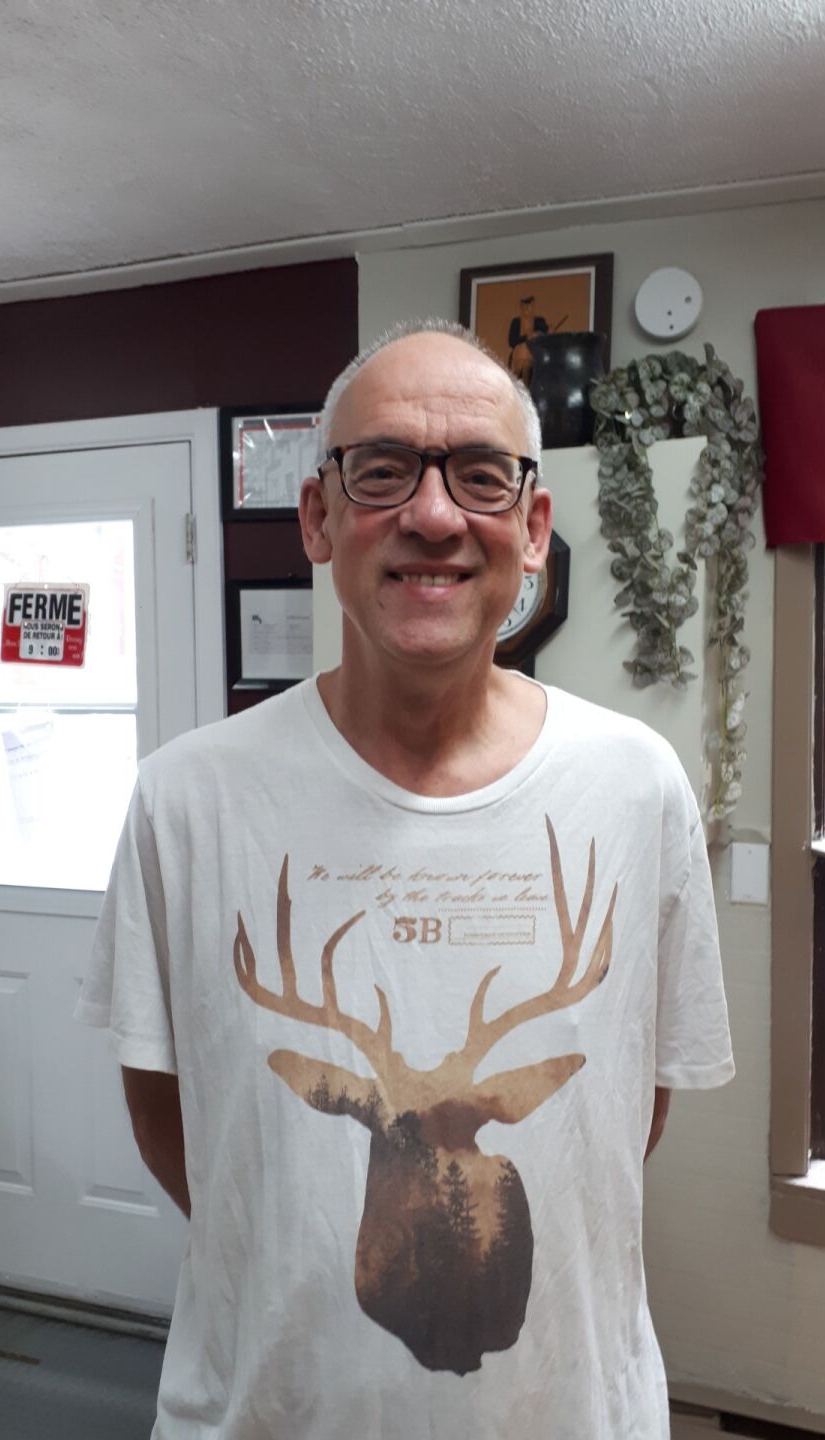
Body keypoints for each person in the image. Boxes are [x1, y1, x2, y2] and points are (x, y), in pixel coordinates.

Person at [77, 319, 734, 1440]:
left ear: (534, 529)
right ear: (317, 519)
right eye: (381, 471)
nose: (433, 515)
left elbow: (625, 1114)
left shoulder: (636, 785)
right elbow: (179, 1121)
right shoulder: (185, 799)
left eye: (480, 475)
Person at [506, 294, 548, 383]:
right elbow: (512, 341)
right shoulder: (516, 322)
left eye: (528, 306)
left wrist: (546, 334)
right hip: (518, 356)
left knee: (527, 362)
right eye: (524, 306)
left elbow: (545, 339)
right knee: (523, 355)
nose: (526, 309)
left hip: (534, 355)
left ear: (532, 306)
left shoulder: (540, 321)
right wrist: (527, 337)